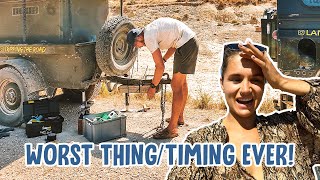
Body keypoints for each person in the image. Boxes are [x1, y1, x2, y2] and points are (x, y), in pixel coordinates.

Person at [167, 39, 320, 179]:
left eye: (255, 80)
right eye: (236, 79)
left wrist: (281, 82)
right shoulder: (201, 144)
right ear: (222, 83)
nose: (246, 89)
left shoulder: (293, 131)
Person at [127, 17, 199, 139]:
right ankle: (179, 118)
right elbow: (173, 45)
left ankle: (172, 129)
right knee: (182, 84)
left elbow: (159, 67)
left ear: (138, 38)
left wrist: (153, 87)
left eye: (136, 45)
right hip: (188, 42)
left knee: (176, 86)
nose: (138, 47)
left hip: (186, 45)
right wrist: (164, 59)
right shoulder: (150, 30)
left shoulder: (148, 37)